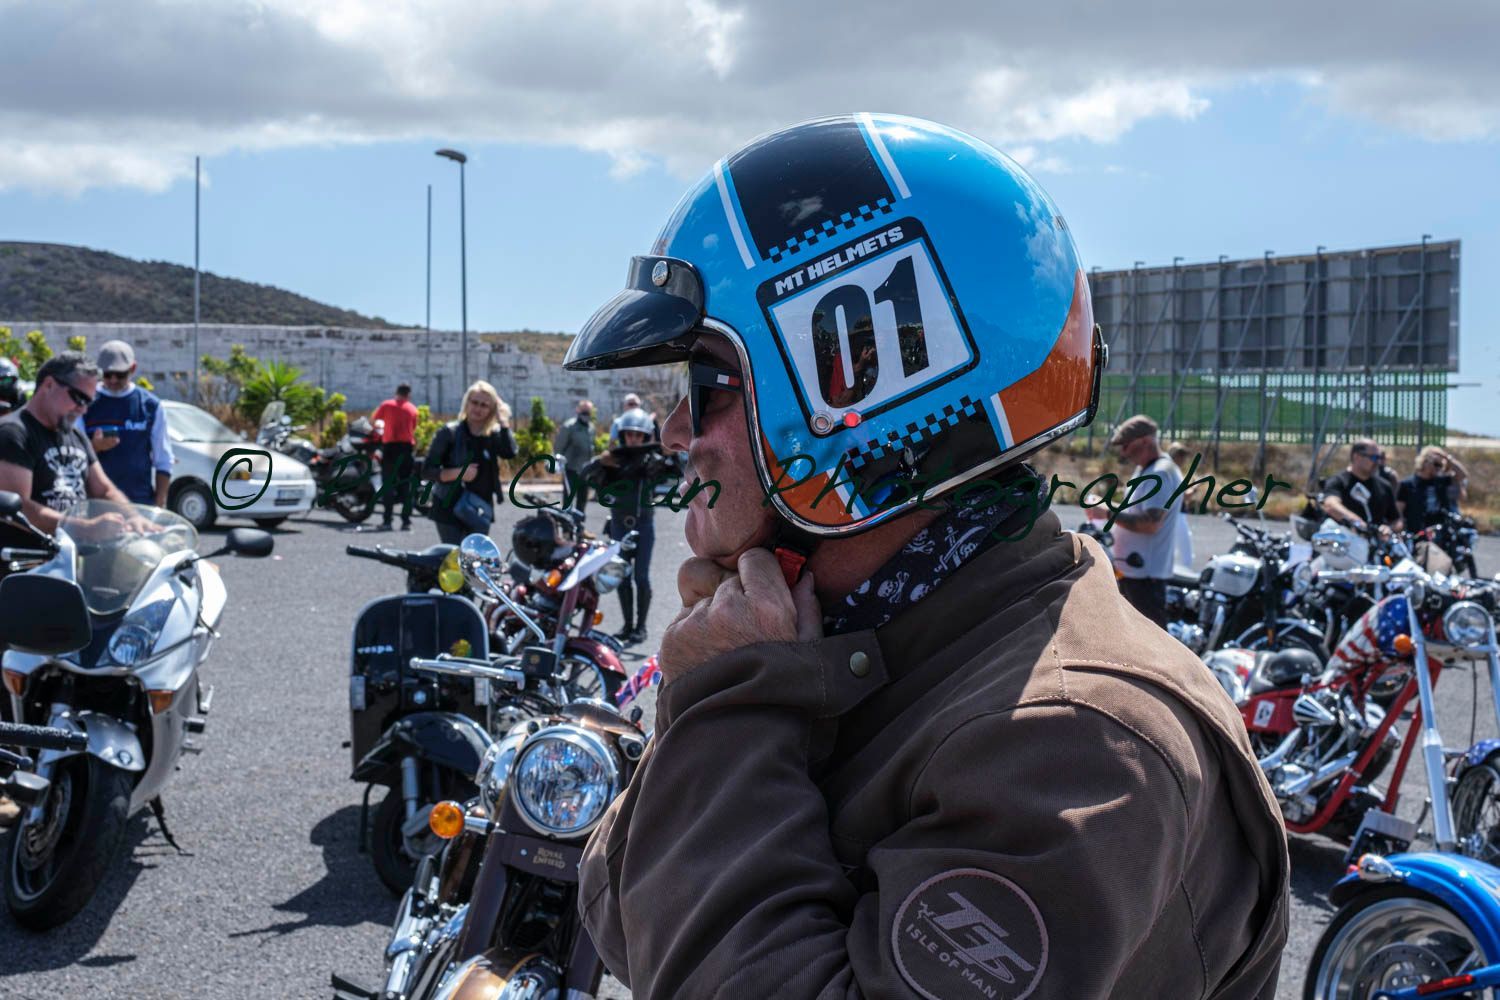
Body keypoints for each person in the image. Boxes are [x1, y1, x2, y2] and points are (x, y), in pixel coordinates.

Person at [565, 114, 1287, 999]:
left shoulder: (1076, 743)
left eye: (706, 385)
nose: (676, 431)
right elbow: (633, 915)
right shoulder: (871, 636)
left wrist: (731, 709)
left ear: (849, 384)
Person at [0, 352, 133, 534]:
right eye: (79, 398)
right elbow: (18, 509)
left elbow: (103, 490)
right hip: (37, 559)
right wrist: (85, 528)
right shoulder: (13, 433)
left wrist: (135, 518)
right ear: (49, 385)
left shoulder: (76, 436)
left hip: (72, 555)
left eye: (89, 402)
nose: (83, 409)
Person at [581, 407, 675, 645]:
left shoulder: (651, 460)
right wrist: (600, 462)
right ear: (622, 435)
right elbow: (584, 476)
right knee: (622, 577)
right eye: (630, 434)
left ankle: (640, 627)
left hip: (644, 525)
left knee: (641, 577)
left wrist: (669, 453)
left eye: (638, 435)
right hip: (619, 524)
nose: (634, 438)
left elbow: (678, 469)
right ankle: (627, 625)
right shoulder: (613, 459)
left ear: (645, 436)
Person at [1085, 415, 1184, 627]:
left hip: (1145, 577)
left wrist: (1109, 513)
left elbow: (1151, 523)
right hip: (1134, 572)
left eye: (1127, 446)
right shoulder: (1147, 469)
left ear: (1146, 441)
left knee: (1152, 647)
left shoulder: (1160, 474)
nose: (1123, 453)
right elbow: (1136, 509)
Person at [420, 381, 516, 545]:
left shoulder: (493, 436)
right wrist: (458, 473)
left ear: (492, 409)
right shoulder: (449, 432)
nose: (478, 408)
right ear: (467, 403)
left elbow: (510, 452)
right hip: (448, 506)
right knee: (454, 561)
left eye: (485, 405)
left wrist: (503, 421)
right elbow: (427, 471)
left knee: (475, 560)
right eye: (475, 402)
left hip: (480, 508)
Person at [83, 340, 173, 508]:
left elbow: (164, 460)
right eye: (107, 374)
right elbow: (74, 456)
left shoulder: (151, 406)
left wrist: (160, 503)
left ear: (133, 369)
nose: (113, 380)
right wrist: (94, 447)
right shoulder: (86, 404)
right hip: (97, 506)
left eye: (120, 374)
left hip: (140, 504)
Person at [1320, 439, 1403, 535]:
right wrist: (1357, 522)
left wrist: (1388, 529)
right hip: (1345, 541)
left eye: (1379, 458)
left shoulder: (1384, 486)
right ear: (1356, 457)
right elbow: (1331, 505)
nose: (1377, 462)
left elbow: (1397, 520)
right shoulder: (1338, 481)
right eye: (1373, 457)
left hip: (1375, 545)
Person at [372, 382, 420, 531]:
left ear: (397, 392)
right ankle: (406, 521)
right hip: (406, 449)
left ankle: (387, 521)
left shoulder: (387, 405)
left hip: (390, 448)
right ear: (408, 394)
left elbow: (375, 421)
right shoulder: (413, 409)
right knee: (406, 485)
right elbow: (413, 427)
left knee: (388, 485)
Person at [1398, 445, 1468, 533]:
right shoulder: (1407, 484)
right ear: (1425, 462)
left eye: (1440, 465)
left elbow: (1462, 475)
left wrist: (1447, 458)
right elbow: (1399, 511)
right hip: (1417, 533)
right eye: (1436, 464)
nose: (1438, 468)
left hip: (1440, 532)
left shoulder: (1441, 481)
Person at [553, 399, 597, 512]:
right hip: (571, 469)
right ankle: (567, 528)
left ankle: (579, 527)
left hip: (585, 471)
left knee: (582, 500)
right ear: (578, 410)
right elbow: (558, 447)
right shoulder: (569, 427)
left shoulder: (591, 428)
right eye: (584, 411)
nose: (586, 414)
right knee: (568, 499)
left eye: (588, 411)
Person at [1167, 439, 1197, 573]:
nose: (1184, 460)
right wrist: (1195, 488)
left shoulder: (1168, 470)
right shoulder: (1172, 471)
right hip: (1176, 515)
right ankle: (1186, 576)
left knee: (1171, 550)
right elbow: (1183, 497)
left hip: (1171, 515)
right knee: (1186, 553)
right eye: (1182, 456)